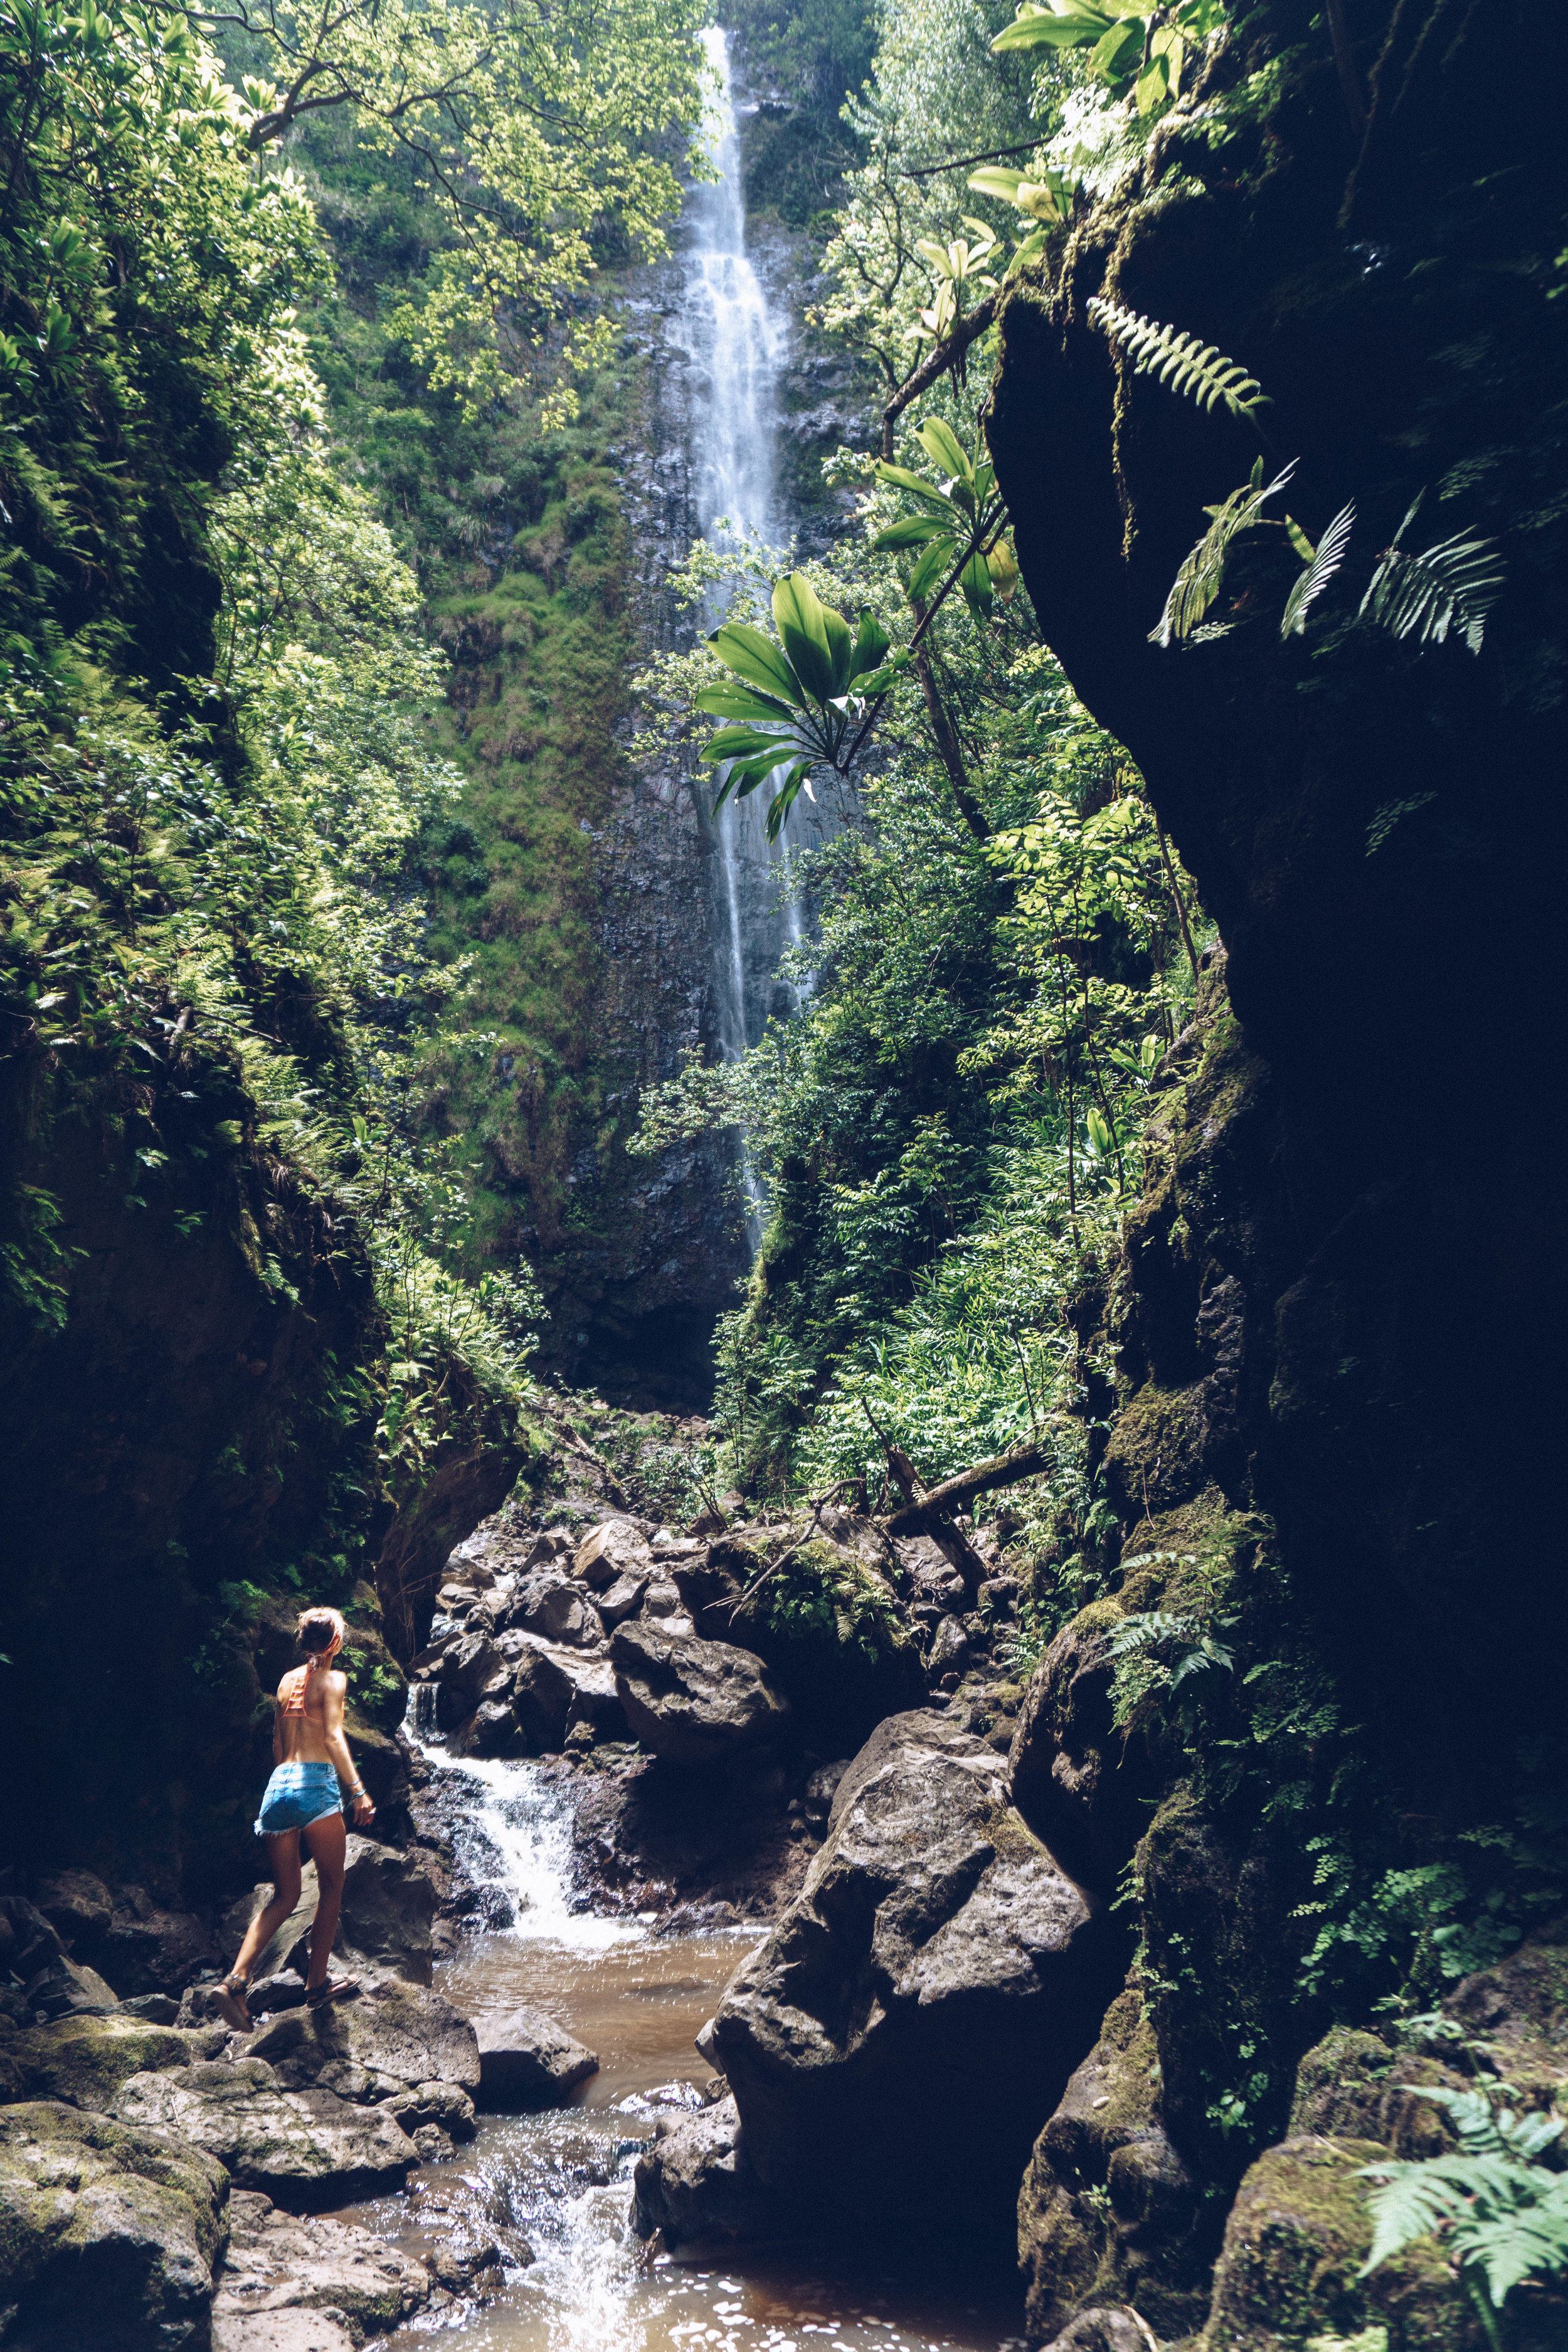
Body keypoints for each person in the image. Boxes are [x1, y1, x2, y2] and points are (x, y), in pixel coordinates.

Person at [215, 1606, 375, 2023]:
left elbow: (275, 1745)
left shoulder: (286, 1682)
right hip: (315, 1783)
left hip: (278, 1786)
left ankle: (234, 1981)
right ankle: (317, 1985)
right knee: (332, 1885)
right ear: (336, 1642)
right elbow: (333, 1735)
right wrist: (357, 1792)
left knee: (285, 1896)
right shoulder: (333, 1680)